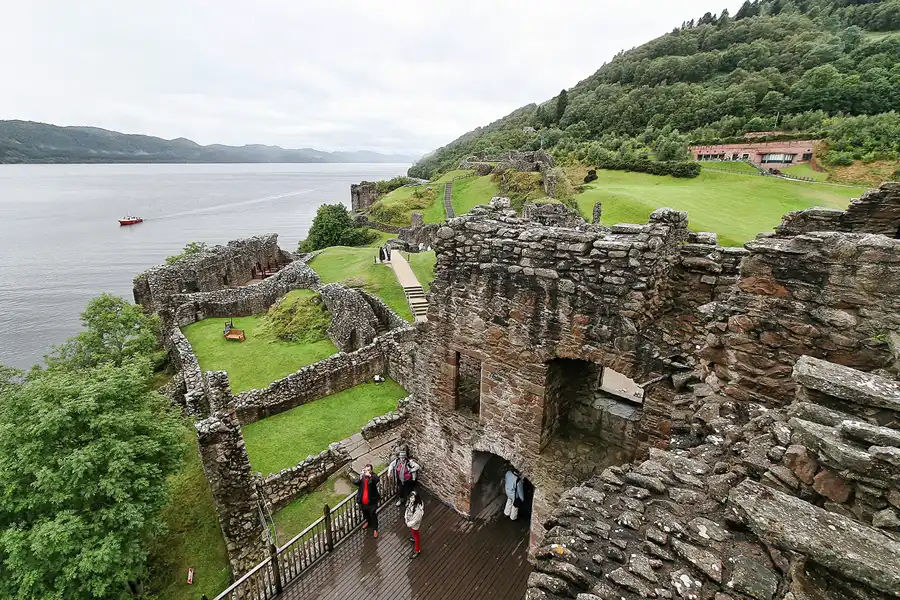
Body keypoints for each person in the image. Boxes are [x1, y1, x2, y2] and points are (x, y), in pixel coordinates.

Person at [355, 463, 380, 537]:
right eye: (366, 470)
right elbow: (356, 483)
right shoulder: (362, 476)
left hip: (371, 501)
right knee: (365, 513)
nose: (367, 471)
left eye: (369, 470)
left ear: (371, 470)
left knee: (373, 514)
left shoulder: (373, 476)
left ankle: (375, 529)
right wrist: (359, 477)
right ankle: (368, 522)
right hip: (363, 500)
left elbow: (377, 480)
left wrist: (370, 475)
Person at [404, 490, 424, 559]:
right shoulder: (411, 503)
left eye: (413, 498)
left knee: (416, 534)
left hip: (414, 524)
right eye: (411, 497)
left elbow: (416, 520)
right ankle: (414, 538)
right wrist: (406, 517)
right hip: (410, 519)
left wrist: (408, 523)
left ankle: (417, 549)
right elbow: (408, 509)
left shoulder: (418, 510)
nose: (411, 499)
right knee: (414, 533)